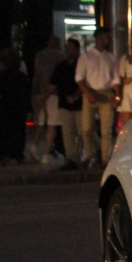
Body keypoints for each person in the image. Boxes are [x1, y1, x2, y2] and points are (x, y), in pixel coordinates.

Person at [76, 28, 118, 166]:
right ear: (100, 38)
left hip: (106, 93)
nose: (109, 40)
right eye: (107, 37)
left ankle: (105, 158)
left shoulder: (111, 58)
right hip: (90, 91)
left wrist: (118, 96)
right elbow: (79, 78)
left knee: (106, 130)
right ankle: (91, 153)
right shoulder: (86, 57)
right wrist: (87, 93)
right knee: (86, 128)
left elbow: (115, 80)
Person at [0, 47, 31, 165]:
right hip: (19, 108)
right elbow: (26, 94)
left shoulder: (2, 77)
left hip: (6, 107)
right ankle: (18, 154)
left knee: (5, 130)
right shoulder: (22, 77)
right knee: (19, 130)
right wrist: (29, 109)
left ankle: (5, 154)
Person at [49, 38, 83, 169]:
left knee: (83, 131)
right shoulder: (61, 66)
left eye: (71, 48)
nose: (68, 50)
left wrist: (75, 96)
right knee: (67, 132)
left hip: (79, 104)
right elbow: (53, 84)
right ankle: (72, 158)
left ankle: (84, 154)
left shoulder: (81, 64)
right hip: (64, 104)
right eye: (67, 48)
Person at [30, 34, 63, 162]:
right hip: (54, 94)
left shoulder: (39, 56)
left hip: (39, 92)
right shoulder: (60, 56)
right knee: (51, 125)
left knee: (39, 122)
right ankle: (46, 153)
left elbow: (36, 75)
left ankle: (34, 146)